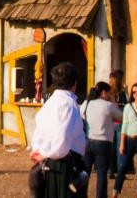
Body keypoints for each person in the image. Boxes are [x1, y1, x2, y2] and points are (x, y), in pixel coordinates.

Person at [29, 62, 87, 197]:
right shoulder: (68, 103)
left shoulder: (50, 103)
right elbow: (63, 137)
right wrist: (48, 154)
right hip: (64, 163)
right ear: (74, 83)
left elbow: (39, 132)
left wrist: (39, 151)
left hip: (50, 160)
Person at [80, 82, 122, 198]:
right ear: (104, 92)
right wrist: (113, 101)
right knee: (102, 175)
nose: (110, 95)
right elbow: (121, 117)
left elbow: (81, 115)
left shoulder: (87, 103)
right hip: (104, 142)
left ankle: (81, 195)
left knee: (85, 172)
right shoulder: (108, 106)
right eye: (109, 93)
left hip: (89, 141)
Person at [114, 82, 137, 197]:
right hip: (129, 140)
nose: (136, 94)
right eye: (133, 92)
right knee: (122, 166)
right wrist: (122, 143)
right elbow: (124, 125)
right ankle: (115, 191)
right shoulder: (128, 107)